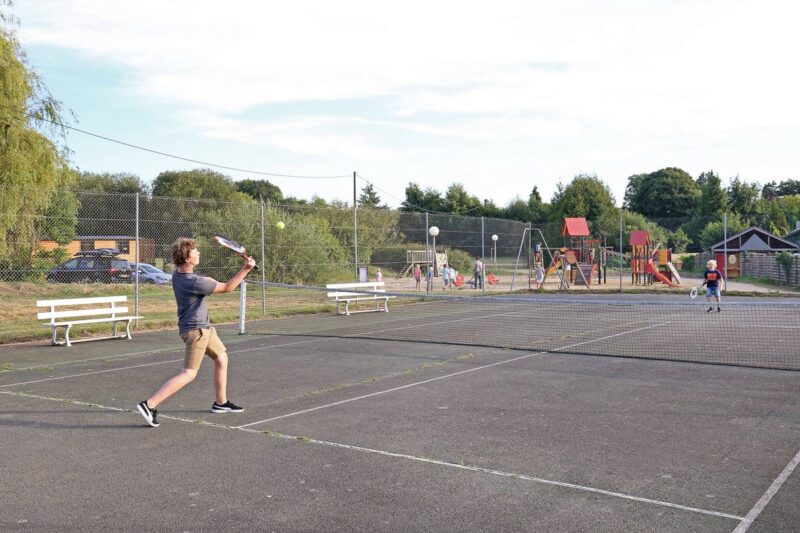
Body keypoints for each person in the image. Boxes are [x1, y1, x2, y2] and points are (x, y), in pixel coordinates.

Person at [136, 237, 256, 427]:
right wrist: (246, 269)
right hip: (196, 331)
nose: (198, 253)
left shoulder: (177, 274)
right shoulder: (195, 282)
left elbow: (205, 280)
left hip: (204, 328)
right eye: (195, 251)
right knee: (189, 373)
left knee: (221, 357)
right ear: (186, 258)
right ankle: (149, 405)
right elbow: (227, 287)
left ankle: (221, 403)